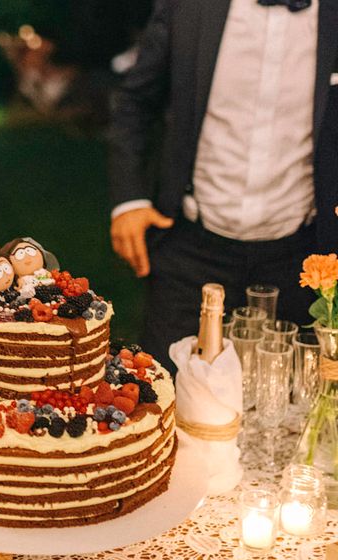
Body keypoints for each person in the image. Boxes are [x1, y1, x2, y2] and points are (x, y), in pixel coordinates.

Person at [107, 0, 338, 372]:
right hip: (191, 252)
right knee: (163, 396)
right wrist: (129, 200)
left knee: (288, 405)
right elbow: (135, 100)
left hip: (302, 259)